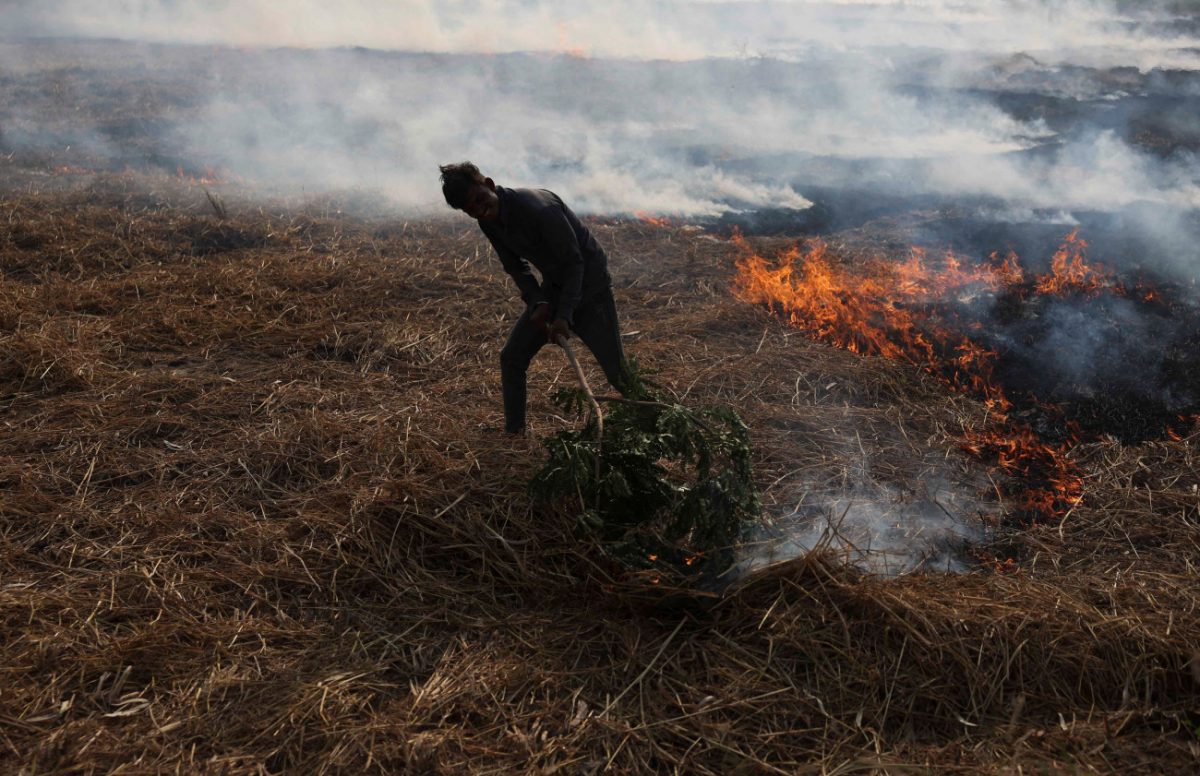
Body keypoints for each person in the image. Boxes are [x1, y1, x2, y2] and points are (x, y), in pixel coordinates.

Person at [439, 161, 628, 435]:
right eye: (471, 210)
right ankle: (514, 433)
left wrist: (564, 315)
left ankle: (659, 422)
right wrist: (537, 301)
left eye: (480, 200)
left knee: (618, 374)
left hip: (590, 288)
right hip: (554, 286)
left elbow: (576, 264)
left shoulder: (539, 209)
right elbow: (515, 266)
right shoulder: (488, 220)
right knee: (512, 358)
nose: (481, 210)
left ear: (489, 184)